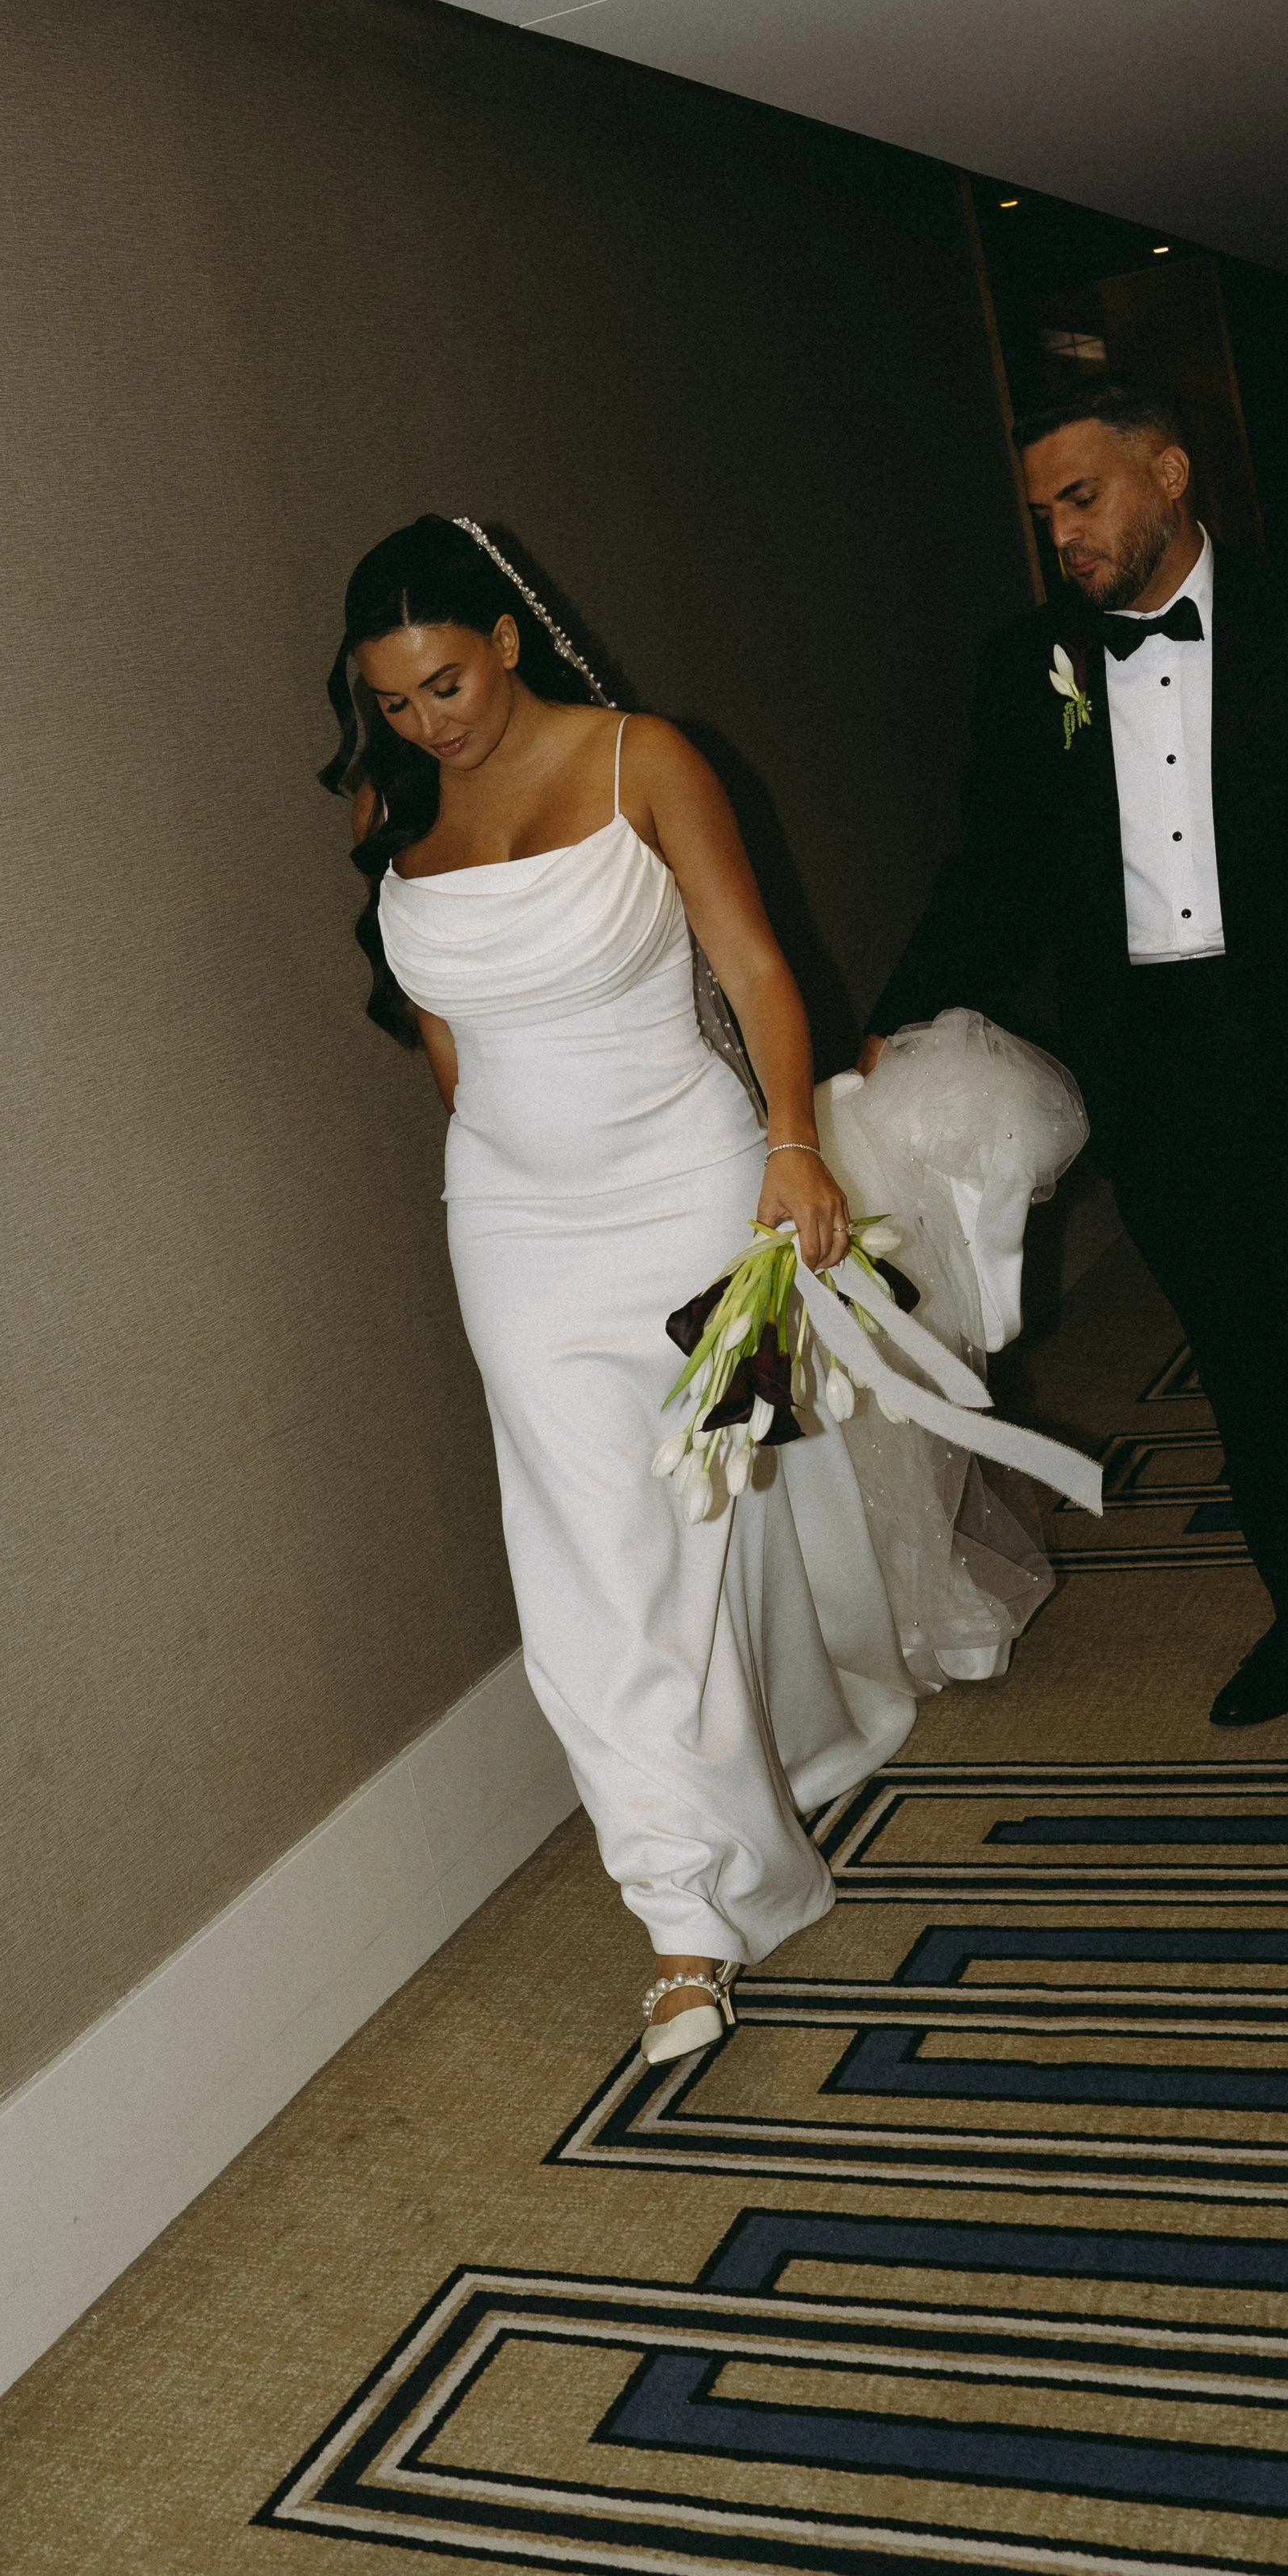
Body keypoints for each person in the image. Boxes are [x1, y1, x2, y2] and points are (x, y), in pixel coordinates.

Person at [864, 379, 1288, 1844]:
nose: (1062, 538)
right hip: (1151, 1071)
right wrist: (885, 1025)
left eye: (1081, 501)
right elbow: (994, 873)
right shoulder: (1026, 663)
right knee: (1241, 1356)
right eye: (1043, 517)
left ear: (1169, 475)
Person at [321, 515, 916, 2063]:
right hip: (516, 1232)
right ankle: (686, 1916)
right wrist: (520, 1181)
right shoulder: (404, 819)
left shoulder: (645, 757)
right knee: (591, 1563)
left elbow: (756, 965)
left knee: (715, 1516)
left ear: (505, 638)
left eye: (445, 681)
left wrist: (795, 1151)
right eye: (393, 702)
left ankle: (787, 1744)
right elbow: (454, 1053)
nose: (427, 721)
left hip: (705, 1201)